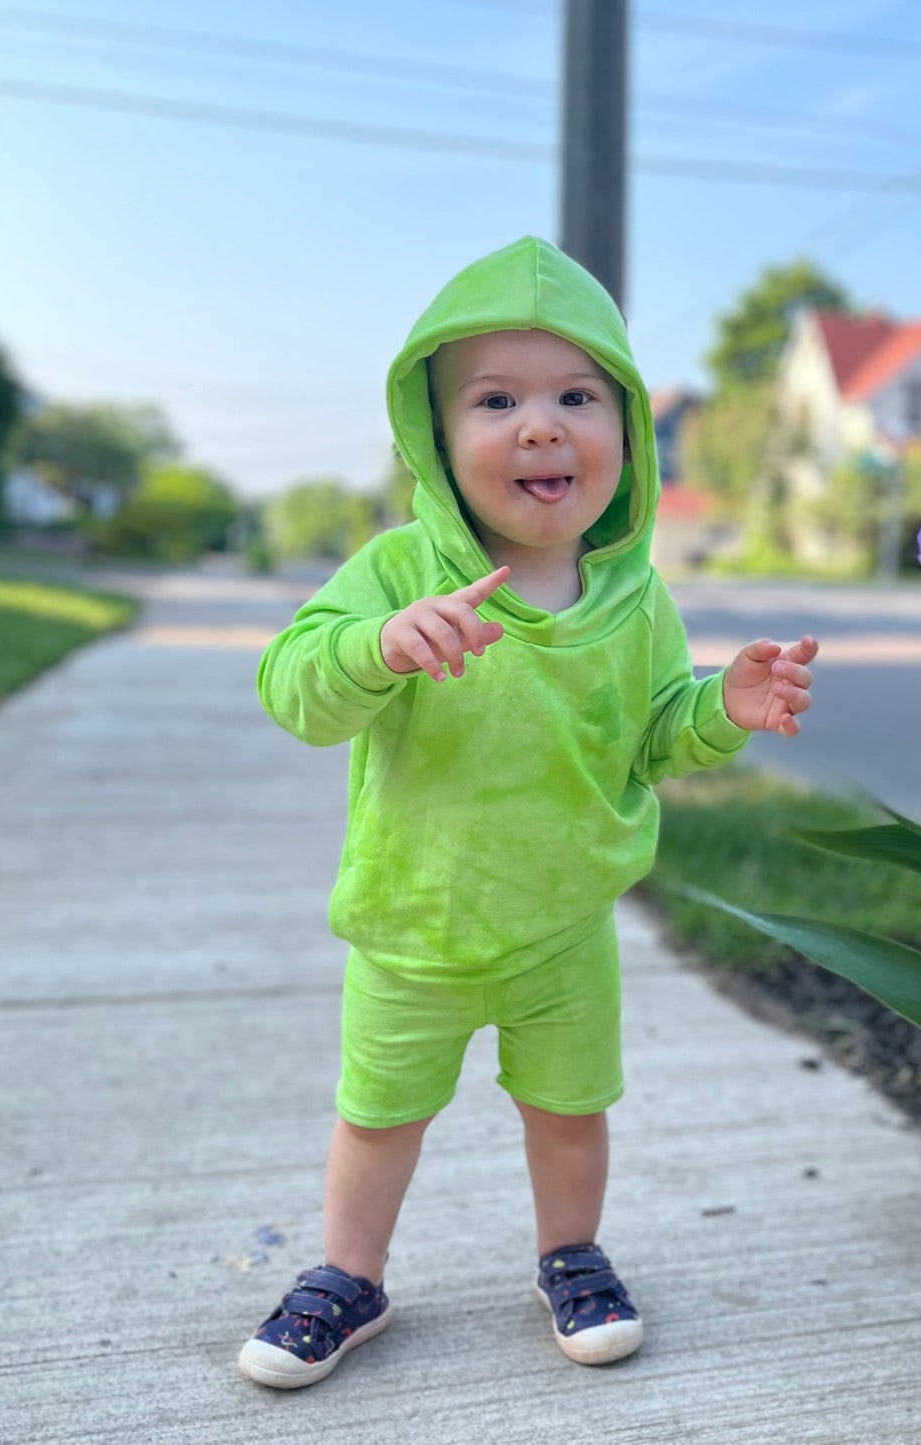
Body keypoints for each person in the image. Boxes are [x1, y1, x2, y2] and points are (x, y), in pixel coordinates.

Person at [238, 236, 818, 1389]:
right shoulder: (401, 570)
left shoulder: (632, 595)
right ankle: (348, 1274)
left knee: (568, 1110)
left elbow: (650, 736)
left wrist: (721, 707)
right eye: (495, 399)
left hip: (565, 924)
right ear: (437, 441)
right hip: (417, 920)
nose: (541, 424)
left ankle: (570, 1251)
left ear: (629, 432)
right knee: (378, 1116)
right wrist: (377, 645)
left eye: (576, 395)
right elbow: (294, 686)